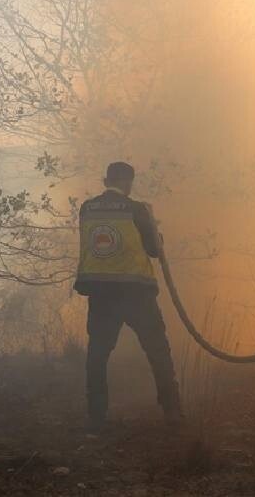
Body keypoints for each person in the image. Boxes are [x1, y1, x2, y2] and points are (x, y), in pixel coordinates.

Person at [73, 161, 182, 434]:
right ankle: (172, 411)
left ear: (105, 180)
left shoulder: (87, 209)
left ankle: (96, 417)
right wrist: (155, 231)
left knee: (97, 355)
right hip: (136, 294)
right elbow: (154, 249)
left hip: (100, 294)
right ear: (128, 183)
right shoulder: (137, 210)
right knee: (158, 351)